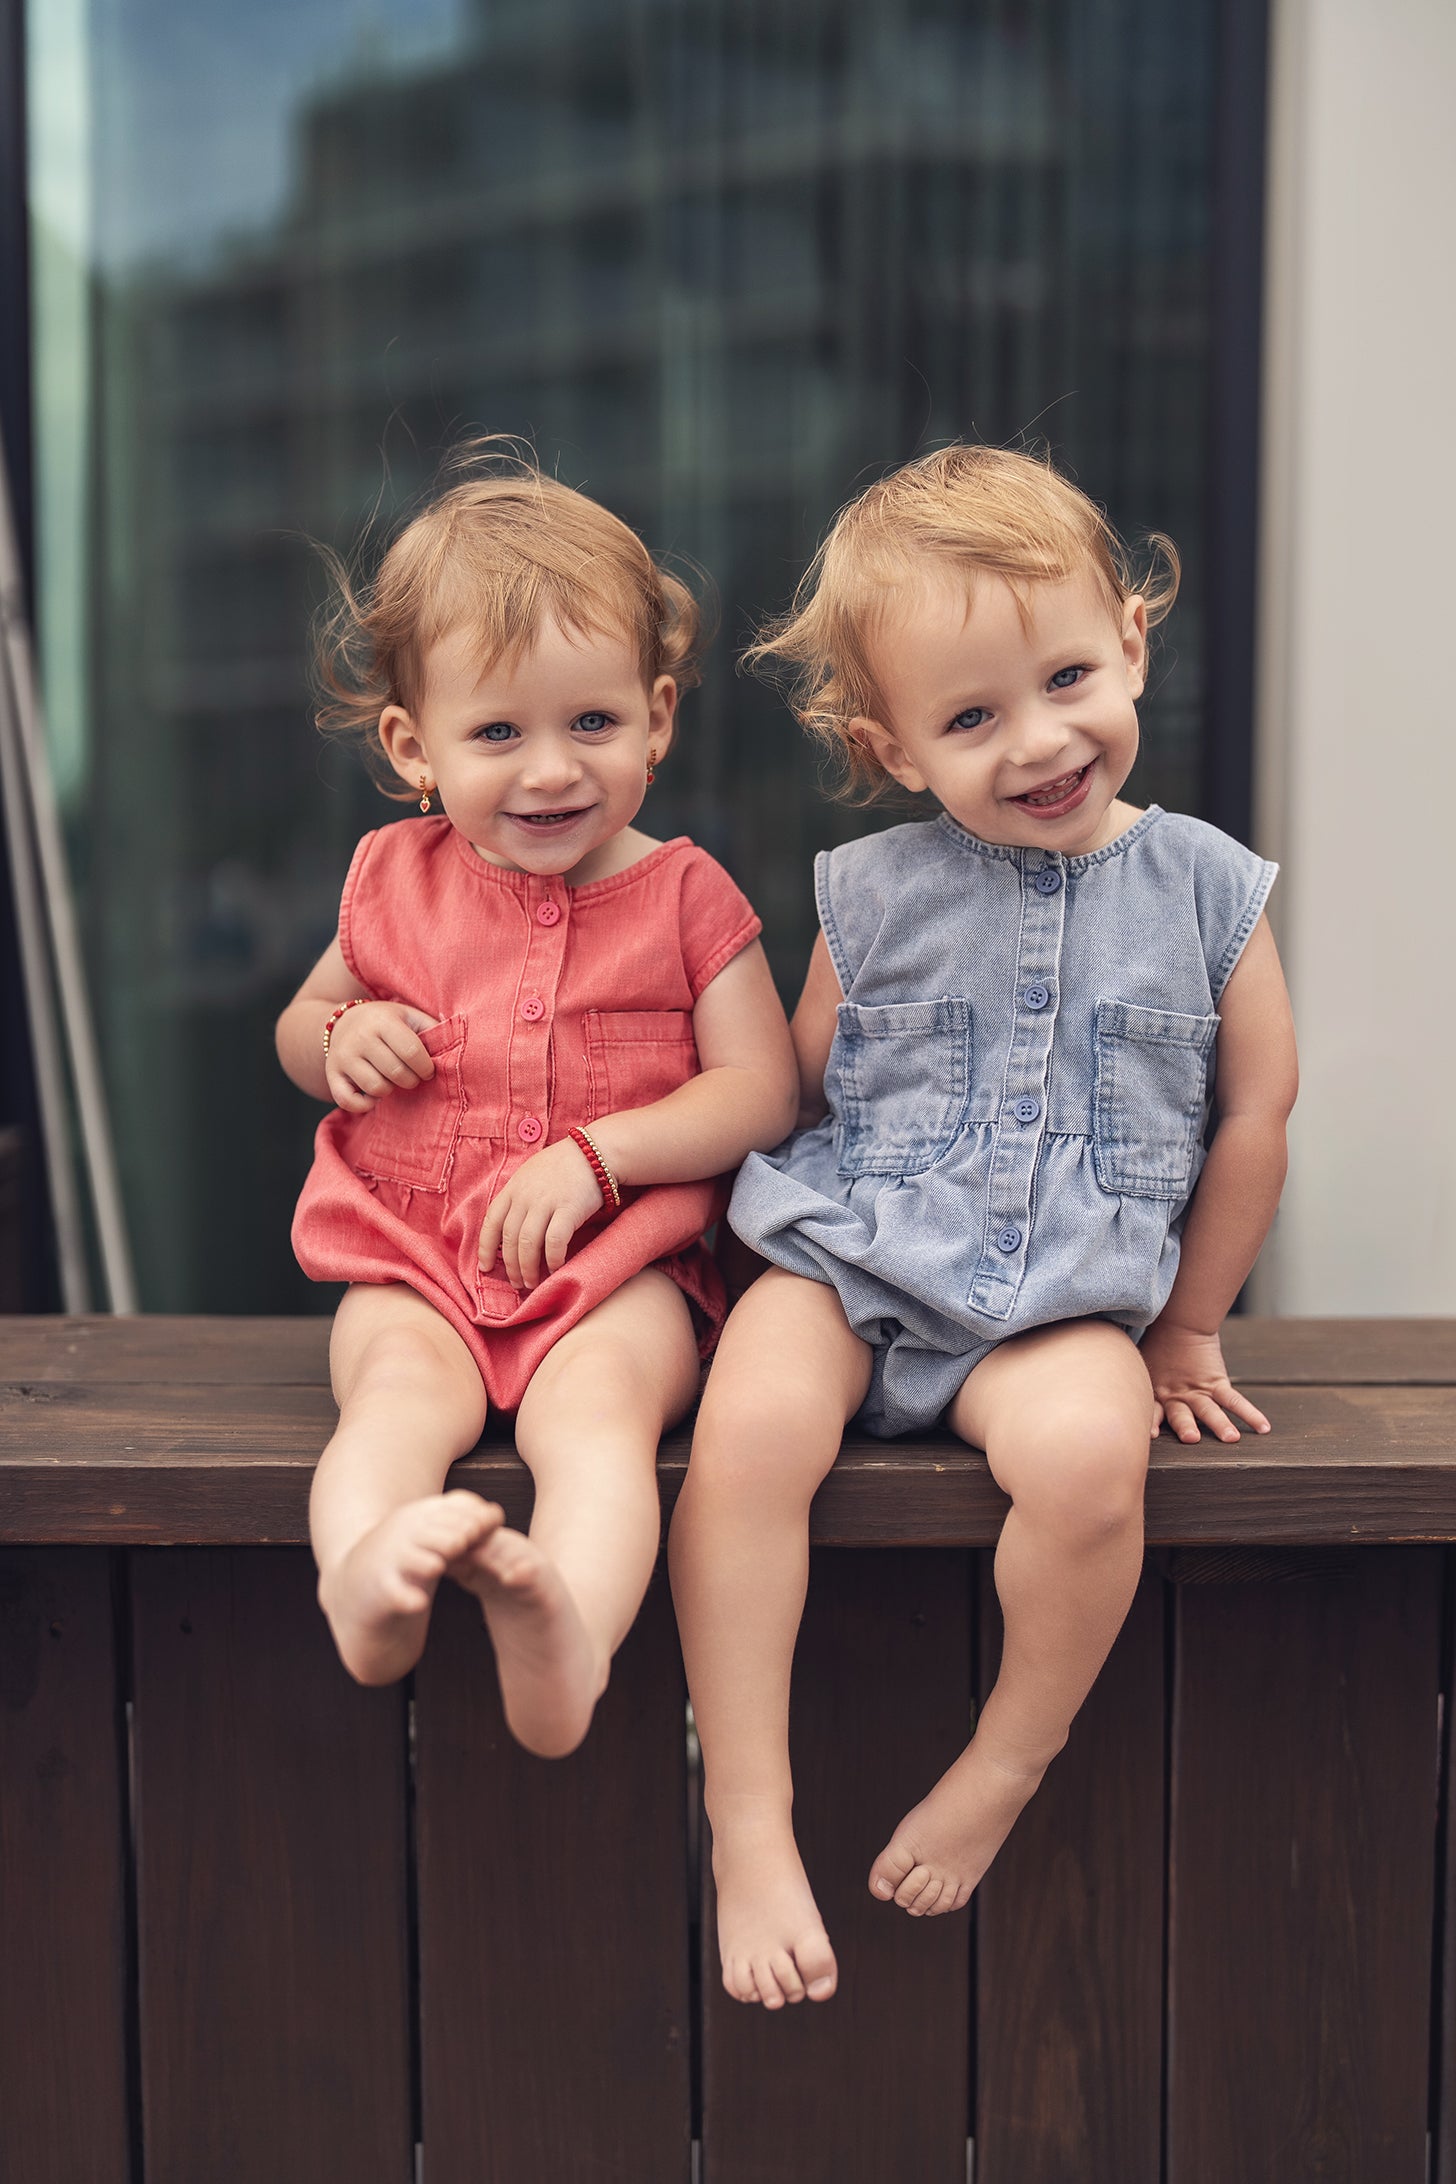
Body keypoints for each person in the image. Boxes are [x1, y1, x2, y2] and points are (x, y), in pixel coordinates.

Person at [669, 444, 1298, 2009]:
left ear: (1132, 642)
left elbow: (1255, 1119)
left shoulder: (1210, 891)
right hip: (853, 1259)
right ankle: (748, 1810)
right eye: (970, 719)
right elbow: (795, 1091)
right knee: (750, 1432)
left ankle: (1009, 1757)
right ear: (889, 747)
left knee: (1092, 1460)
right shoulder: (872, 892)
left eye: (1067, 677)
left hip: (1061, 1308)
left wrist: (1190, 1329)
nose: (1038, 741)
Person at [276, 447, 797, 1757]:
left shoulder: (687, 898)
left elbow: (762, 1091)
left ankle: (569, 1637)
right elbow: (297, 1027)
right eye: (499, 733)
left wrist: (603, 1155)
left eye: (593, 724)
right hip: (413, 1259)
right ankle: (363, 1578)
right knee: (391, 1402)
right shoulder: (391, 881)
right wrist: (340, 1036)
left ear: (658, 717)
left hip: (616, 1271)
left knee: (599, 1426)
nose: (552, 770)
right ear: (414, 746)